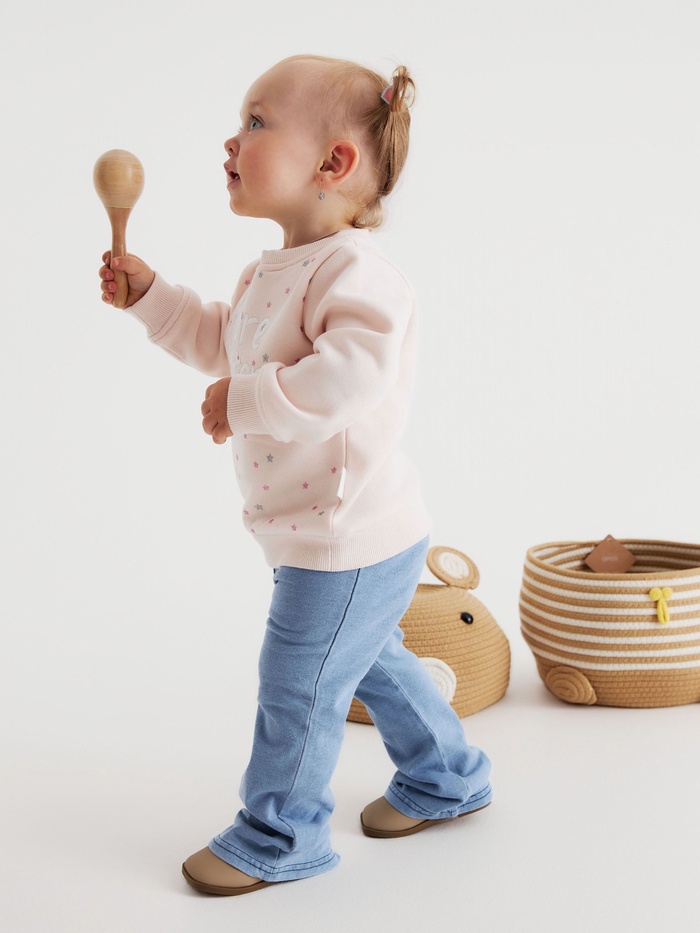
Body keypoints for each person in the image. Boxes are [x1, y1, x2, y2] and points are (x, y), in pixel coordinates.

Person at [98, 54, 492, 897]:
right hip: (310, 529)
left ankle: (281, 831)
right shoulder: (268, 272)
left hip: (350, 535)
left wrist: (245, 400)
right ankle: (449, 774)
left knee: (298, 685)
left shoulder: (360, 275)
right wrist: (151, 295)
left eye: (255, 122)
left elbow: (347, 380)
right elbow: (223, 340)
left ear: (333, 162)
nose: (231, 140)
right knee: (370, 662)